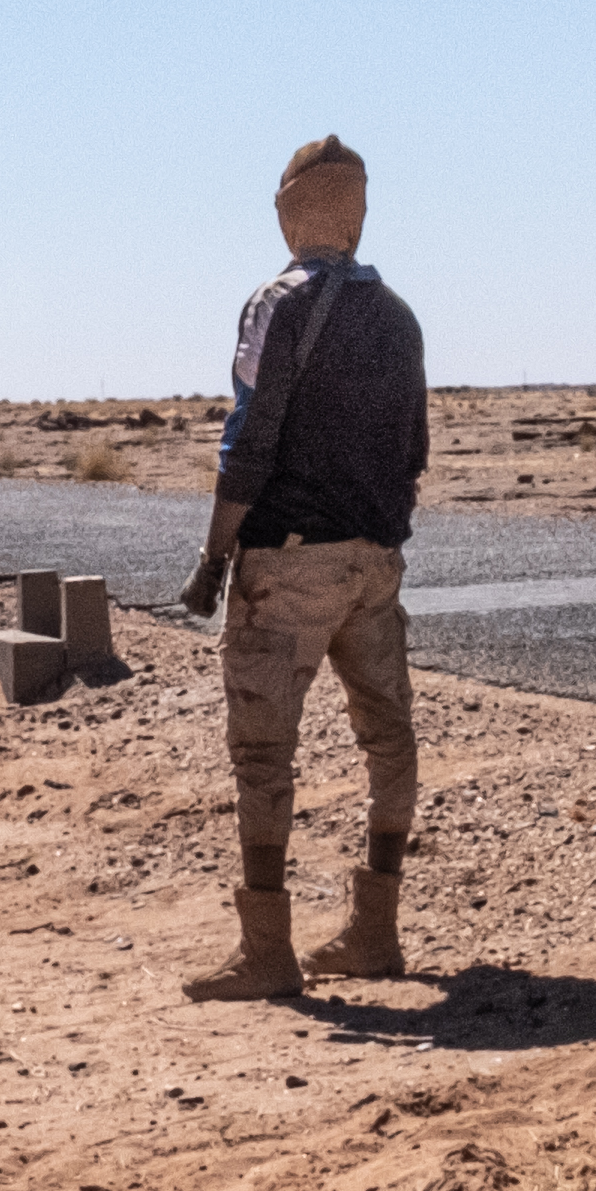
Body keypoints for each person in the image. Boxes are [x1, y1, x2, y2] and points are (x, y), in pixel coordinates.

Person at [179, 133, 429, 997]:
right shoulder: (399, 317)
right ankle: (374, 931)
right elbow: (414, 450)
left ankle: (267, 950)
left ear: (291, 215)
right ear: (357, 214)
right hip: (376, 562)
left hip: (289, 563)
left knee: (263, 754)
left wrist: (216, 554)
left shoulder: (277, 304)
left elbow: (247, 444)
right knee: (388, 738)